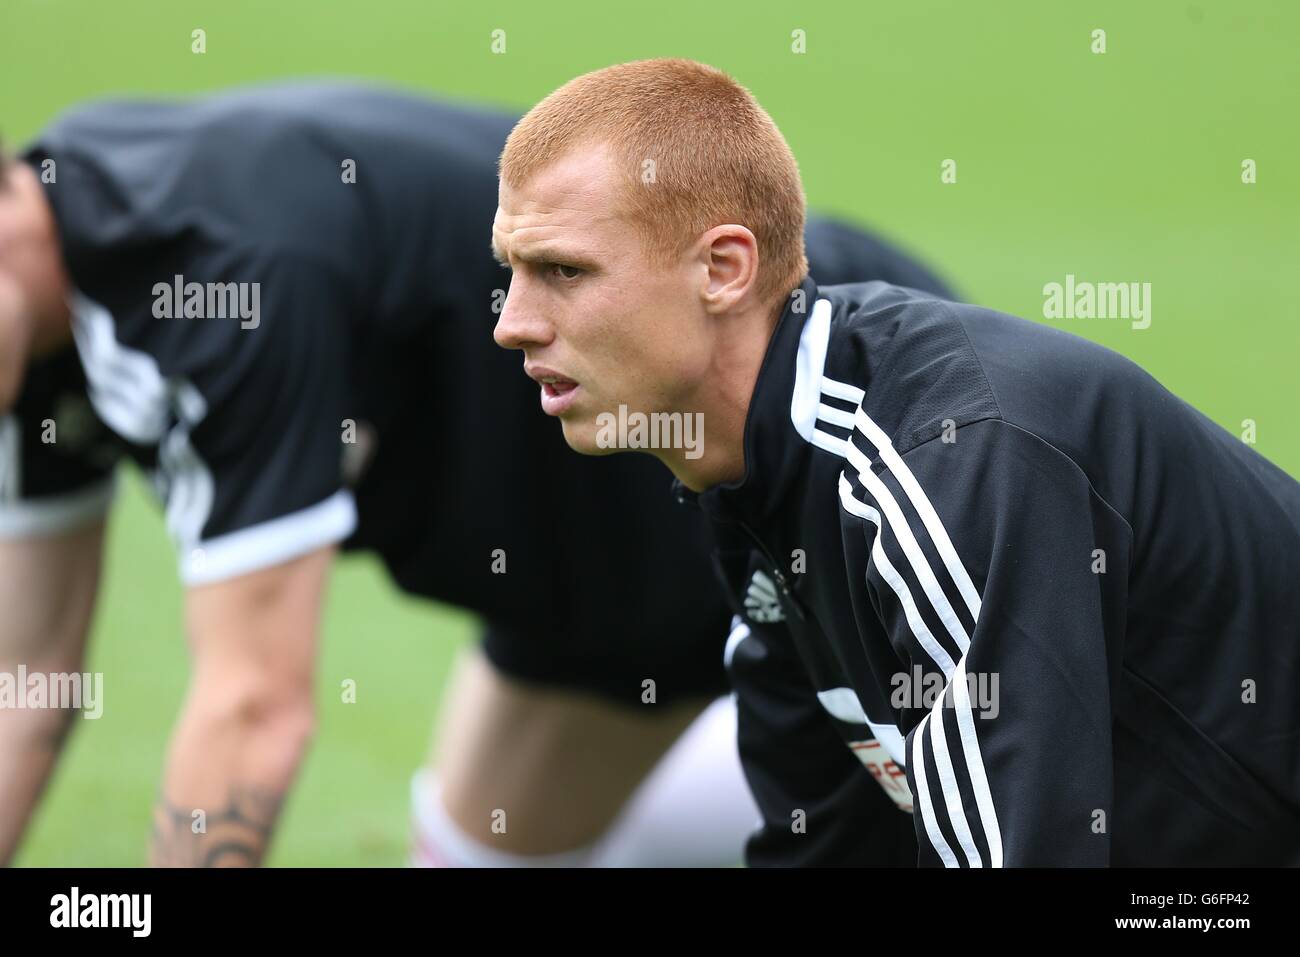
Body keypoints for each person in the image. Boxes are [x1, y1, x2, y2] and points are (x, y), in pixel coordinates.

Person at [0, 81, 952, 866]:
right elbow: (27, 670)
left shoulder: (220, 274)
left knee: (950, 816)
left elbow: (252, 705)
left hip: (826, 448)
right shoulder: (36, 323)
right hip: (593, 578)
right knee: (473, 853)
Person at [490, 57, 1300, 866]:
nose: (513, 323)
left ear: (723, 269)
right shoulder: (762, 488)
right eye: (511, 273)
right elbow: (829, 844)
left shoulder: (944, 461)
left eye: (564, 271)